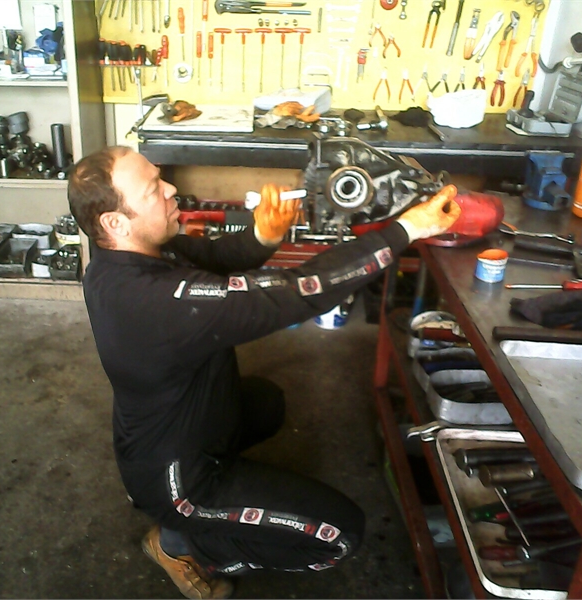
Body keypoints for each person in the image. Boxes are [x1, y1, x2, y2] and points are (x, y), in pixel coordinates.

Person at [67, 146, 460, 599]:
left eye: (161, 179)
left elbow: (212, 257)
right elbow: (297, 291)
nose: (172, 189)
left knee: (267, 403)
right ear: (115, 222)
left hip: (168, 432)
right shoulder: (153, 301)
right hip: (178, 482)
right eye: (154, 190)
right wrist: (406, 229)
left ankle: (202, 513)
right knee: (340, 535)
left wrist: (263, 235)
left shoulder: (126, 257)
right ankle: (184, 546)